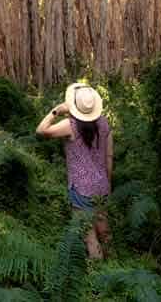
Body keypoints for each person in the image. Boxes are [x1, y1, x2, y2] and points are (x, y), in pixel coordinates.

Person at [35, 83, 113, 260]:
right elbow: (109, 157)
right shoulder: (104, 123)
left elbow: (41, 130)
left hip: (81, 189)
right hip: (102, 186)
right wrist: (108, 184)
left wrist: (56, 111)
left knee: (90, 238)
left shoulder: (70, 125)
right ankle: (114, 268)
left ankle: (98, 276)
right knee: (105, 231)